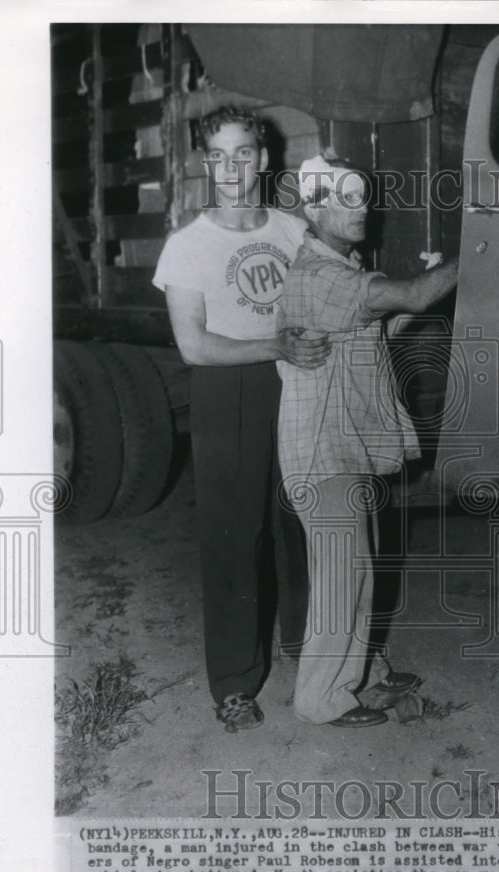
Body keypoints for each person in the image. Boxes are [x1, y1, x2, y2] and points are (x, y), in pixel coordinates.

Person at [153, 107, 330, 733]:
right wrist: (274, 347)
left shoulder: (293, 230)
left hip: (298, 383)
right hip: (228, 392)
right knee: (234, 539)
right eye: (221, 156)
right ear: (207, 163)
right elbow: (194, 347)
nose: (233, 167)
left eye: (245, 153)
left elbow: (326, 299)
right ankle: (233, 682)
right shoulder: (187, 246)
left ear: (263, 157)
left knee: (303, 525)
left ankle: (311, 652)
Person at [276, 154, 459, 728]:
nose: (362, 210)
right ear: (315, 207)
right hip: (321, 456)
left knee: (359, 571)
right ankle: (319, 699)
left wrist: (412, 298)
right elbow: (413, 297)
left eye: (364, 198)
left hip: (343, 448)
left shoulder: (339, 265)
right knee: (340, 580)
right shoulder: (318, 274)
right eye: (347, 200)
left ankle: (365, 676)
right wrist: (477, 254)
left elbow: (378, 325)